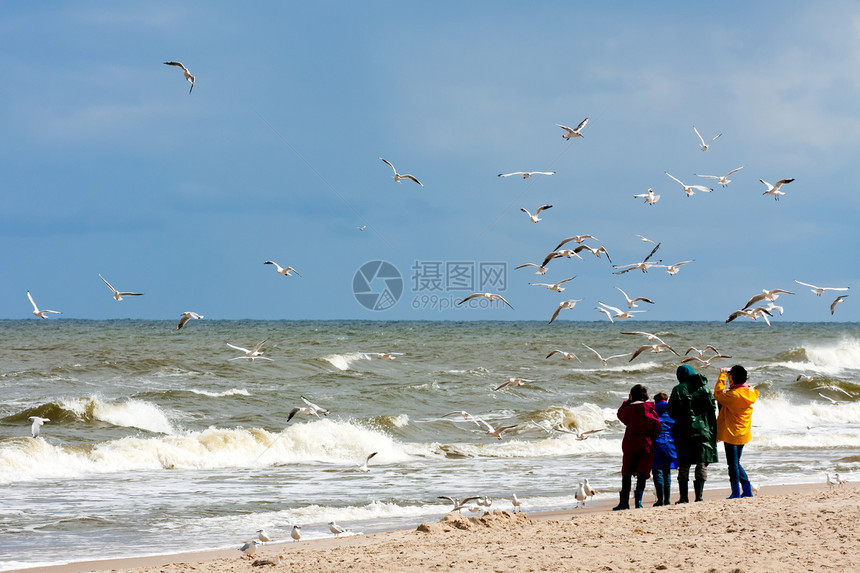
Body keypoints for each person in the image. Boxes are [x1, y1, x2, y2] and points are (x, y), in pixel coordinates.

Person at [667, 364, 717, 503]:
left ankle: (684, 497)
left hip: (684, 431)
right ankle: (699, 496)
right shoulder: (704, 388)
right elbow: (713, 407)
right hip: (703, 430)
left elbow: (671, 411)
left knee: (684, 464)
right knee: (701, 463)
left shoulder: (678, 389)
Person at [613, 384, 661, 510]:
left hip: (631, 444)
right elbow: (657, 427)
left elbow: (620, 414)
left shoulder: (629, 410)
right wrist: (651, 438)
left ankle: (624, 502)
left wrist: (627, 402)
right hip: (646, 444)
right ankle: (638, 502)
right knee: (642, 473)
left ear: (632, 396)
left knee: (627, 472)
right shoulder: (651, 410)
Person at [715, 365, 760, 498]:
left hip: (731, 433)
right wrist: (732, 374)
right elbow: (743, 385)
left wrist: (723, 375)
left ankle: (736, 492)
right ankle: (746, 490)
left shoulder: (733, 395)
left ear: (733, 378)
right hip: (743, 432)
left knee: (732, 464)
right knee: (736, 463)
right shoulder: (751, 392)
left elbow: (717, 394)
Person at [651, 392, 677, 506]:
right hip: (670, 444)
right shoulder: (672, 412)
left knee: (657, 472)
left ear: (655, 401)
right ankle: (667, 500)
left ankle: (660, 500)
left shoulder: (652, 412)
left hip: (657, 444)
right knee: (667, 472)